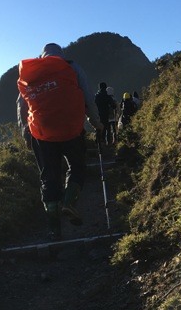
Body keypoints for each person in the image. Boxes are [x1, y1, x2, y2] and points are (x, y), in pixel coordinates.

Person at [17, 43, 104, 240]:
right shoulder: (71, 67)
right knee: (77, 167)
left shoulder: (32, 74)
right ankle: (68, 202)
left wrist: (25, 133)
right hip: (71, 129)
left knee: (49, 177)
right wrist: (96, 122)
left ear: (42, 56)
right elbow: (87, 96)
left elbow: (21, 104)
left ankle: (53, 229)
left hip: (41, 133)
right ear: (60, 55)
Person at [95, 82, 118, 146]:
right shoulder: (107, 96)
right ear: (105, 88)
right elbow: (113, 105)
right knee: (105, 128)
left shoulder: (97, 96)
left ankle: (98, 140)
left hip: (97, 114)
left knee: (98, 127)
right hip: (105, 114)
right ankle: (104, 142)